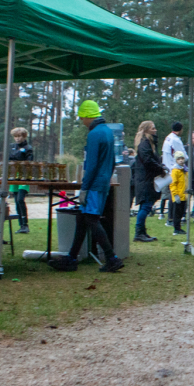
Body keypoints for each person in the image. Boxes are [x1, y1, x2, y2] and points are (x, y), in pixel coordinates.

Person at [48, 101, 125, 273]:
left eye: (82, 118)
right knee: (82, 219)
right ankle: (71, 258)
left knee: (91, 219)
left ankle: (112, 258)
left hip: (94, 184)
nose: (82, 121)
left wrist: (84, 187)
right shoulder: (107, 131)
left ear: (88, 116)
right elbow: (112, 161)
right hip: (104, 182)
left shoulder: (94, 134)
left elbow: (91, 164)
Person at [132, 120, 166, 242]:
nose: (155, 130)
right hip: (145, 180)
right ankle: (138, 232)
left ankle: (142, 232)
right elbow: (148, 160)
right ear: (146, 130)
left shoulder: (147, 143)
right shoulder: (145, 144)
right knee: (146, 206)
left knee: (145, 205)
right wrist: (160, 168)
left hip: (146, 179)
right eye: (153, 128)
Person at [6, 127, 33, 234]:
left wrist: (17, 157)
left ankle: (25, 224)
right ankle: (21, 225)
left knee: (21, 199)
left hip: (24, 175)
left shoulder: (28, 148)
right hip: (14, 175)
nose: (17, 139)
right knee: (16, 200)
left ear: (24, 136)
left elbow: (29, 161)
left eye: (19, 136)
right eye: (16, 136)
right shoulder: (12, 147)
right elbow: (10, 157)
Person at [160, 122, 186, 225]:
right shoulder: (176, 140)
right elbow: (181, 154)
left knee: (171, 193)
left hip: (167, 168)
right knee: (175, 194)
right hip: (174, 169)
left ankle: (172, 218)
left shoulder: (168, 138)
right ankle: (173, 218)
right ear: (180, 129)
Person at [169, 152, 190, 235]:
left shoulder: (185, 170)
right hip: (178, 195)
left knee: (181, 212)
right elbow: (173, 183)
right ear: (176, 160)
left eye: (182, 158)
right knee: (177, 213)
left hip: (184, 195)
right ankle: (176, 228)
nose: (181, 160)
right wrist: (175, 194)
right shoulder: (175, 171)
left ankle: (179, 228)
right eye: (178, 159)